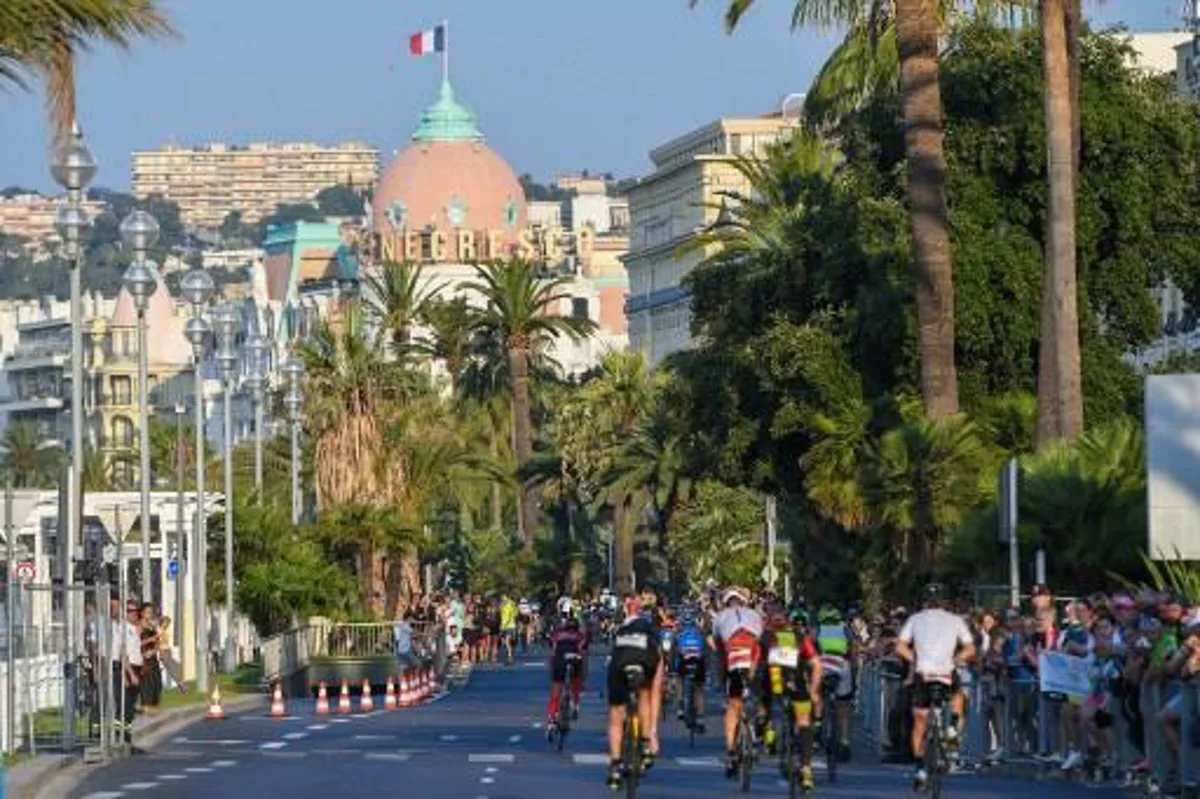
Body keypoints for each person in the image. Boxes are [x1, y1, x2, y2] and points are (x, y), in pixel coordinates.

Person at [896, 583, 976, 790]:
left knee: (919, 723)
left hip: (923, 673)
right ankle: (951, 728)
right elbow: (970, 648)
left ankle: (921, 769)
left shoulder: (915, 619)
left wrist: (915, 659)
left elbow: (900, 646)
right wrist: (957, 658)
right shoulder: (956, 620)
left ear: (925, 601)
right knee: (957, 696)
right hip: (946, 671)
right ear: (945, 602)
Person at [605, 599, 661, 790]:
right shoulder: (652, 634)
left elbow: (613, 656)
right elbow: (656, 689)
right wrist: (653, 733)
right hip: (644, 658)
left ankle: (615, 765)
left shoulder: (621, 630)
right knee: (645, 694)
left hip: (620, 660)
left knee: (615, 713)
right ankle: (644, 743)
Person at [710, 586, 765, 778]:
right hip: (754, 656)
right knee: (759, 694)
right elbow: (762, 641)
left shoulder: (720, 617)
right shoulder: (755, 615)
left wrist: (719, 679)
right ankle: (759, 724)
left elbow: (719, 653)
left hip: (734, 657)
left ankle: (731, 752)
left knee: (733, 706)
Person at [815, 604, 854, 760]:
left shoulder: (818, 629)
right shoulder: (845, 629)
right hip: (842, 664)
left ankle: (818, 725)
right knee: (843, 704)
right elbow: (853, 649)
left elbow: (810, 648)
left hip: (823, 662)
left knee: (816, 692)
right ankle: (844, 741)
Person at [546, 613, 587, 733]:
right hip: (575, 659)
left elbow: (552, 654)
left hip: (559, 660)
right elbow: (583, 654)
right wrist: (583, 676)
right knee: (577, 680)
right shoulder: (580, 636)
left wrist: (551, 673)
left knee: (555, 691)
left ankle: (552, 718)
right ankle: (575, 703)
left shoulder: (557, 634)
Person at [672, 604, 708, 733]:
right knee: (699, 687)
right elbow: (706, 650)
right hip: (699, 660)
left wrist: (670, 667)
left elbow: (673, 650)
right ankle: (700, 718)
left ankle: (680, 705)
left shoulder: (678, 631)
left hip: (683, 660)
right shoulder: (700, 630)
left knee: (678, 677)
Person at [138, 603, 162, 712]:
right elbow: (136, 643)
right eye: (147, 612)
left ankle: (154, 706)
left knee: (156, 683)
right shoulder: (138, 626)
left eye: (151, 612)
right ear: (142, 613)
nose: (149, 614)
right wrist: (150, 639)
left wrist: (154, 650)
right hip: (143, 658)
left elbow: (158, 642)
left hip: (152, 657)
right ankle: (145, 706)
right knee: (146, 684)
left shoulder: (152, 625)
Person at [500, 594, 519, 666]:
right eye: (502, 597)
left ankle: (510, 657)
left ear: (507, 597)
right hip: (503, 626)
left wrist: (508, 621)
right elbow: (501, 615)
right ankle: (510, 655)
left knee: (507, 641)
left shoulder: (511, 604)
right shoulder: (502, 604)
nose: (502, 598)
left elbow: (514, 614)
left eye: (504, 596)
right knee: (505, 642)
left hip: (510, 626)